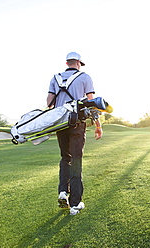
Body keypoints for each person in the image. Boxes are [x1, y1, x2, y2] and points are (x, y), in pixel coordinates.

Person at [47, 52, 103, 215]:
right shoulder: (85, 77)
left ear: (67, 63)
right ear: (78, 63)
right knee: (76, 160)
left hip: (60, 122)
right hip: (77, 122)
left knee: (66, 158)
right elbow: (92, 103)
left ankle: (63, 191)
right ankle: (75, 204)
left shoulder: (55, 78)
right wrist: (98, 125)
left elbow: (49, 103)